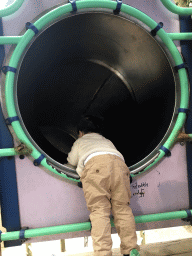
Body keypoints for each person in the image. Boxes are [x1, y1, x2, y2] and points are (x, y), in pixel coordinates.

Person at [67, 115, 140, 256]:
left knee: (99, 211)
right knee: (123, 209)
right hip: (120, 166)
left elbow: (71, 160)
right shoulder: (106, 140)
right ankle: (131, 250)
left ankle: (103, 253)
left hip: (95, 167)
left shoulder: (81, 141)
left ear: (80, 132)